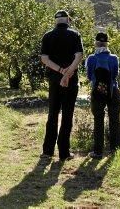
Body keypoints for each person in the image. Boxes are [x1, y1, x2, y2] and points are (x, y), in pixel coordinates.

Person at [40, 10, 84, 161]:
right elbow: (79, 56)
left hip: (53, 80)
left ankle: (47, 151)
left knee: (52, 114)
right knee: (67, 115)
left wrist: (60, 71)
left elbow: (44, 59)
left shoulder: (47, 36)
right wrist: (67, 73)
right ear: (68, 21)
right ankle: (64, 153)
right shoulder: (75, 34)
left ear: (55, 21)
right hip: (70, 81)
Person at [85, 32, 120, 159]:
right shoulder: (114, 58)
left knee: (98, 121)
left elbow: (89, 76)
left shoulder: (91, 58)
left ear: (96, 44)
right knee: (115, 120)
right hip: (113, 91)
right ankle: (115, 150)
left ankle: (98, 152)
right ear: (107, 44)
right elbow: (115, 75)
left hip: (97, 91)